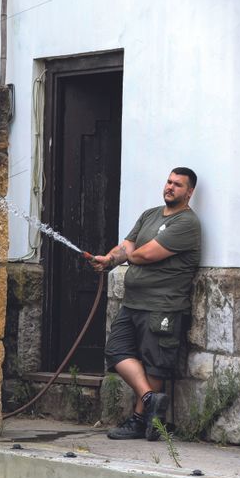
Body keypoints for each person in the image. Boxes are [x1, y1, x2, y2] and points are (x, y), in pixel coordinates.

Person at [90, 167, 202, 441]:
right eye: (168, 181)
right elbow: (126, 247)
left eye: (178, 184)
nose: (170, 187)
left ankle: (141, 421)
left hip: (163, 306)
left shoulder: (187, 223)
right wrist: (109, 258)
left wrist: (123, 257)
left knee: (155, 365)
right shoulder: (149, 215)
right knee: (116, 350)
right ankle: (151, 400)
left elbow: (144, 255)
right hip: (134, 303)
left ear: (189, 192)